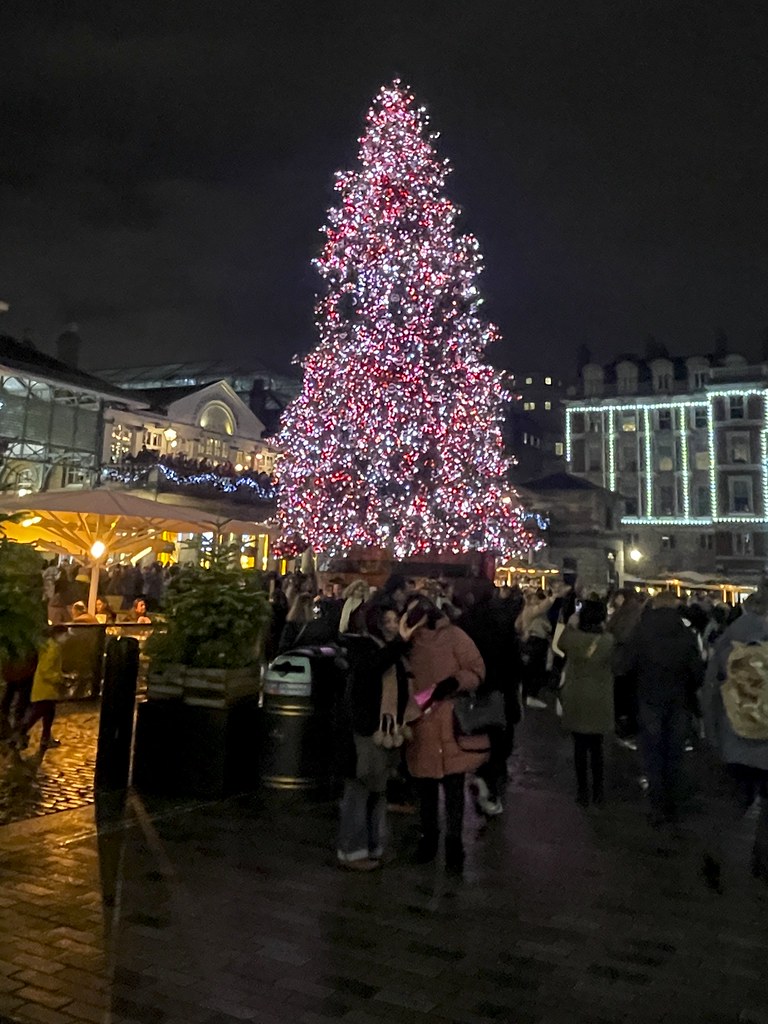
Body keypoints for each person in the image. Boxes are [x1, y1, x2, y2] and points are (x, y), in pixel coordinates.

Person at [403, 595, 488, 872]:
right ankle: (429, 838)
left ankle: (453, 843)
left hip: (450, 722)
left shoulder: (455, 636)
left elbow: (476, 671)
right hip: (421, 720)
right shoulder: (409, 641)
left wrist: (456, 682)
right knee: (426, 788)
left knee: (453, 788)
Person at [336, 603, 420, 871]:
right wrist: (399, 643)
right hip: (366, 730)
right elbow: (373, 669)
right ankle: (352, 850)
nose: (393, 625)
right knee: (360, 790)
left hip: (386, 730)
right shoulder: (363, 648)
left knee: (378, 790)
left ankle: (375, 845)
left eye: (396, 620)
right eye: (388, 620)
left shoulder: (392, 650)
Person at [701, 590, 768, 890]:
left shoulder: (728, 640)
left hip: (733, 738)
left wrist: (713, 734)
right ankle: (762, 863)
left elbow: (710, 691)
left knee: (734, 802)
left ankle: (714, 852)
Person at [621, 590, 704, 824]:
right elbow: (697, 670)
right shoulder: (685, 631)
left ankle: (657, 801)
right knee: (674, 751)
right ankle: (673, 800)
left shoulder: (642, 630)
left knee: (652, 750)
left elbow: (626, 664)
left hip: (649, 697)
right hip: (678, 699)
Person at [458, 585, 524, 816]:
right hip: (500, 688)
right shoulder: (502, 621)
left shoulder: (464, 622)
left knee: (476, 735)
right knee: (498, 741)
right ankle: (490, 785)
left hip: (473, 688)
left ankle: (479, 774)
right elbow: (514, 661)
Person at [558, 599, 615, 807]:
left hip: (576, 697)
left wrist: (571, 623)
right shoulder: (608, 641)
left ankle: (582, 792)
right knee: (597, 749)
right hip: (599, 698)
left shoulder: (571, 639)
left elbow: (559, 643)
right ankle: (598, 792)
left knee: (579, 748)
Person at [14, 626, 69, 753]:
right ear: (58, 634)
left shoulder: (50, 646)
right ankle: (19, 735)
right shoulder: (53, 649)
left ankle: (45, 737)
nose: (67, 638)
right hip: (46, 689)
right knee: (37, 714)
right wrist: (60, 678)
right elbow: (46, 670)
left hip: (46, 688)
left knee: (49, 713)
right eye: (65, 635)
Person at [606, 588, 644, 745]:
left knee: (623, 695)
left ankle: (625, 729)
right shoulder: (633, 611)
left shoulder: (628, 613)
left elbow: (621, 634)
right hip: (627, 661)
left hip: (623, 661)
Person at [516, 588, 555, 709]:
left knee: (530, 668)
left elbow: (517, 625)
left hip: (532, 641)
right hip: (536, 641)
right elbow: (542, 608)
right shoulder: (532, 610)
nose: (538, 599)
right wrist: (553, 597)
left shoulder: (527, 611)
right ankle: (531, 696)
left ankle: (526, 694)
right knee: (536, 668)